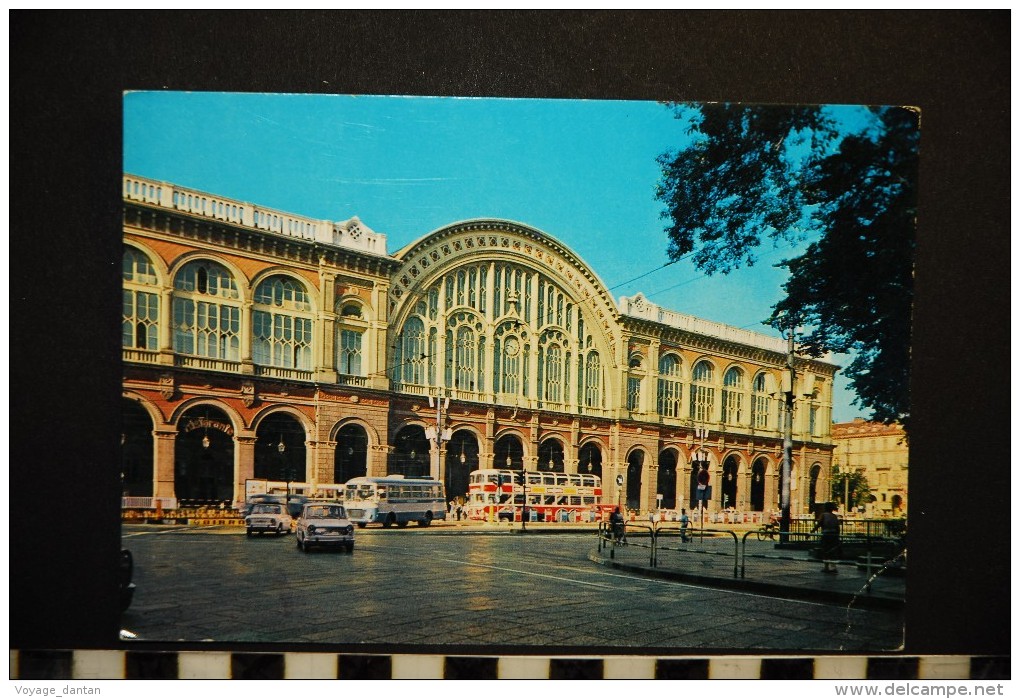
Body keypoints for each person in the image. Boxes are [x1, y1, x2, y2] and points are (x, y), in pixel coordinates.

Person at [812, 501, 841, 573]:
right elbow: (837, 528)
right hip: (834, 535)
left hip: (826, 534)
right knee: (833, 551)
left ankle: (826, 567)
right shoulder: (834, 516)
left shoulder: (823, 515)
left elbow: (819, 524)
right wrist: (838, 536)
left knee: (825, 550)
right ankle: (834, 567)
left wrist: (811, 532)